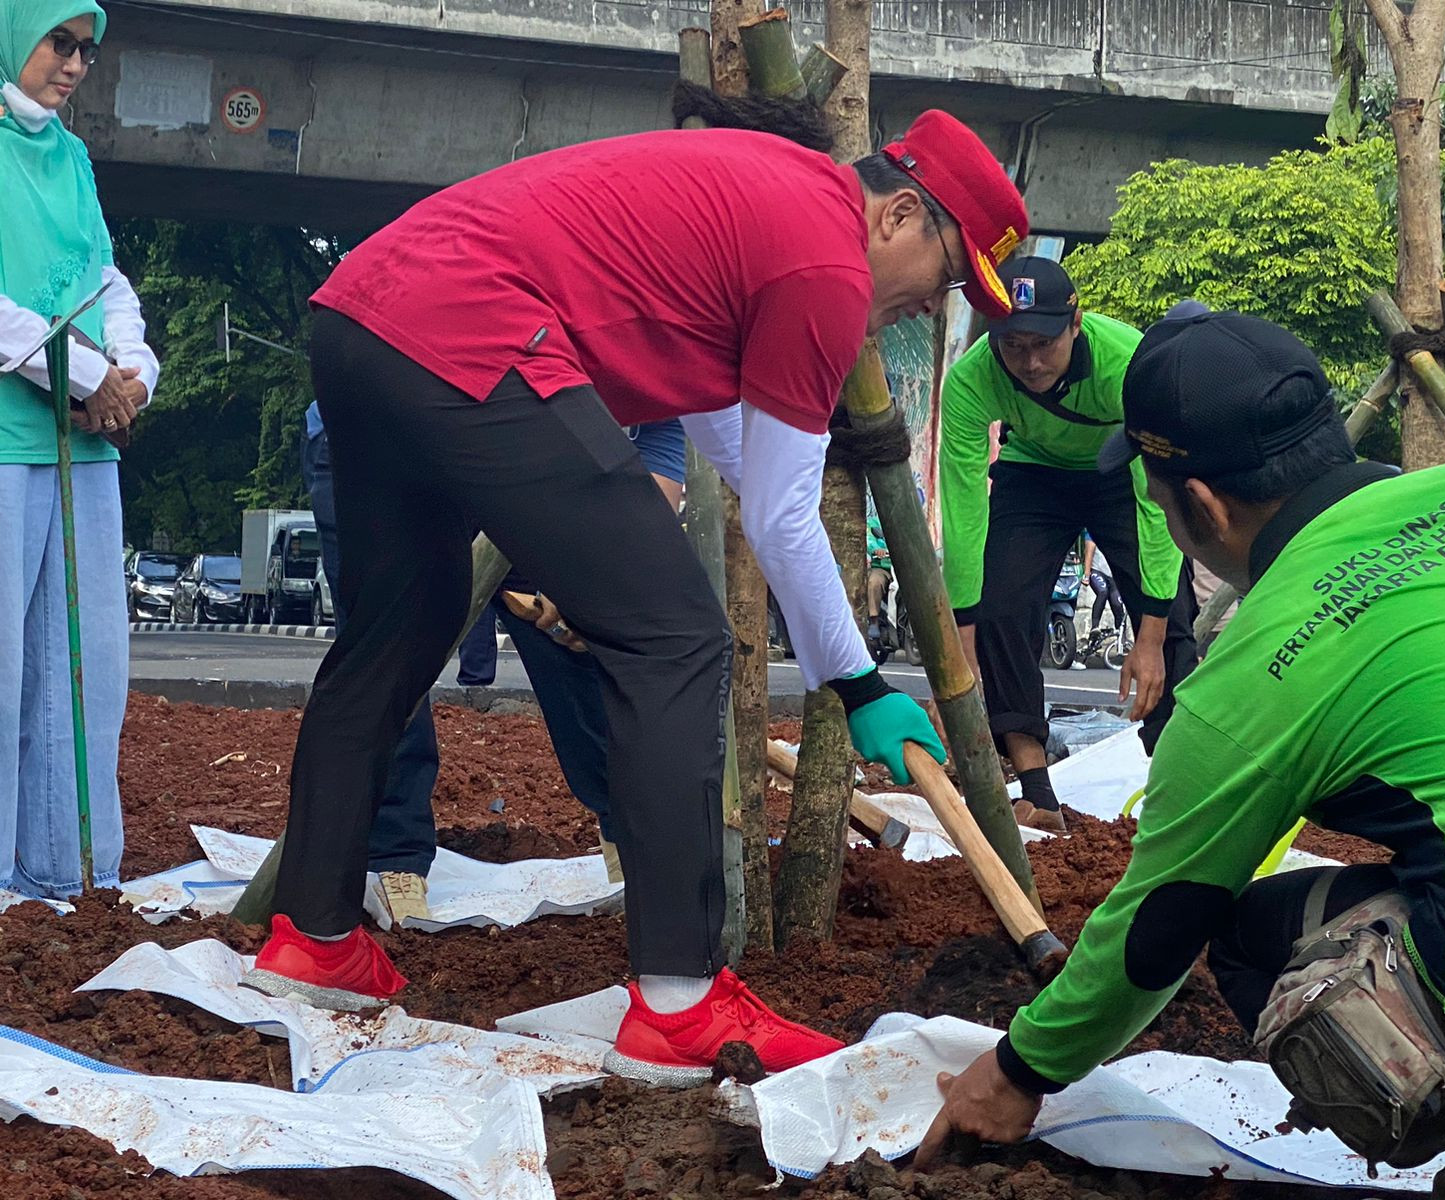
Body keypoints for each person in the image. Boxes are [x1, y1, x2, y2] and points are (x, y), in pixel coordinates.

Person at [242, 112, 1026, 1086]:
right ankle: (680, 1000)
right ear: (899, 214)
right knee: (677, 641)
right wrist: (859, 684)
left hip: (362, 314)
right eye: (947, 279)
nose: (928, 309)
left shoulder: (769, 204)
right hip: (470, 321)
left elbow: (734, 450)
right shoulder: (822, 263)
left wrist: (846, 670)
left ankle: (314, 934)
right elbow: (783, 513)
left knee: (402, 619)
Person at [917, 311, 1445, 1199]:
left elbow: (1154, 933)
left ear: (1199, 505)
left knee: (1246, 938)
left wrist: (1016, 1074)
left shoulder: (1252, 677)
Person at [938, 258, 1195, 832]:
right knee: (1002, 608)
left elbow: (1158, 506)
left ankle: (1179, 786)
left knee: (1172, 620)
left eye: (1044, 344)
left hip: (1120, 474)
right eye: (1014, 345)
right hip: (1034, 473)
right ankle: (1036, 790)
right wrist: (962, 625)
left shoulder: (1128, 364)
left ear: (1075, 323)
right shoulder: (972, 378)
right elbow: (962, 504)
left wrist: (1149, 637)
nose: (1030, 362)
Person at [0, 0, 158, 898]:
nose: (72, 65)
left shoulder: (72, 156)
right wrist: (82, 376)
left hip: (85, 451)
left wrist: (133, 372)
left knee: (84, 670)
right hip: (7, 442)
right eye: (58, 42)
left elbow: (105, 278)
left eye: (86, 52)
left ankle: (72, 869)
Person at [493, 418, 690, 884]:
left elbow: (659, 473)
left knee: (582, 671)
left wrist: (595, 580)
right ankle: (392, 853)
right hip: (458, 468)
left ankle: (632, 847)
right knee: (394, 675)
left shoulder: (664, 377)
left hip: (573, 515)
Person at [301, 399, 439, 923]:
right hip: (366, 435)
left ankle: (627, 833)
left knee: (566, 630)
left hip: (501, 428)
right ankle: (395, 852)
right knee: (387, 646)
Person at [1080, 532, 1125, 637]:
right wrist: (1086, 574)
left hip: (1111, 575)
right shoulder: (1092, 531)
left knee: (1117, 604)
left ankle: (1122, 638)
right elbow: (1089, 552)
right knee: (1102, 592)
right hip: (1096, 571)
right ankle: (1094, 627)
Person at [866, 518, 892, 653]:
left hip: (905, 568)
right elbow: (868, 539)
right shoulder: (874, 522)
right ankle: (874, 620)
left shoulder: (910, 522)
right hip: (883, 567)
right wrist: (877, 550)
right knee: (875, 581)